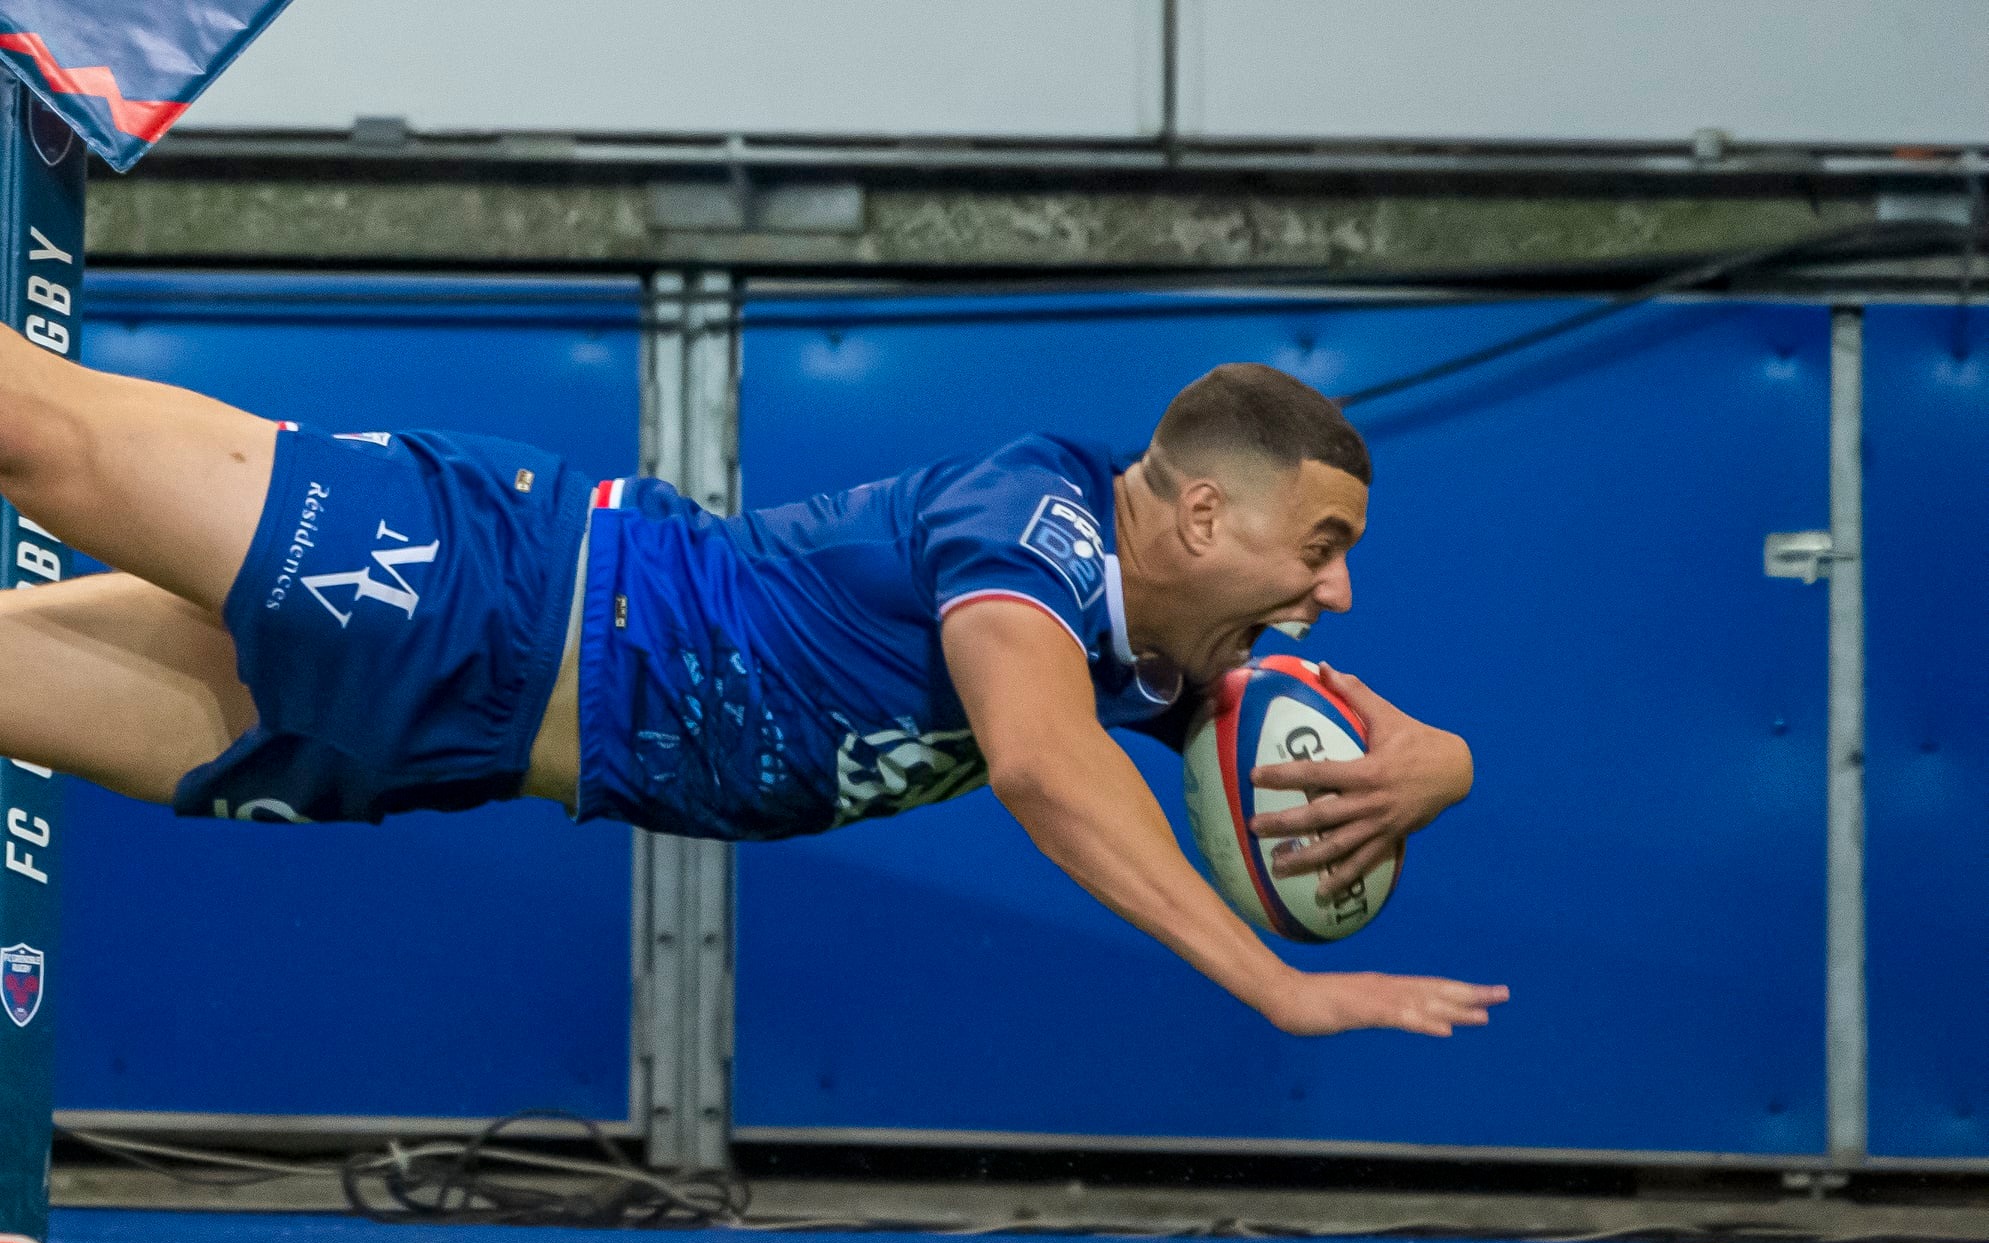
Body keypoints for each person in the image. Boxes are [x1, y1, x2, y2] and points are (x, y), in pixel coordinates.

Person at [0, 329, 1506, 1038]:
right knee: (39, 436)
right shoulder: (1031, 523)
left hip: (430, 736)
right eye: (1318, 546)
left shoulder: (1155, 650)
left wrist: (1444, 766)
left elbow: (1311, 735)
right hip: (488, 581)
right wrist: (1277, 988)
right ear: (1195, 517)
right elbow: (1044, 767)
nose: (1336, 591)